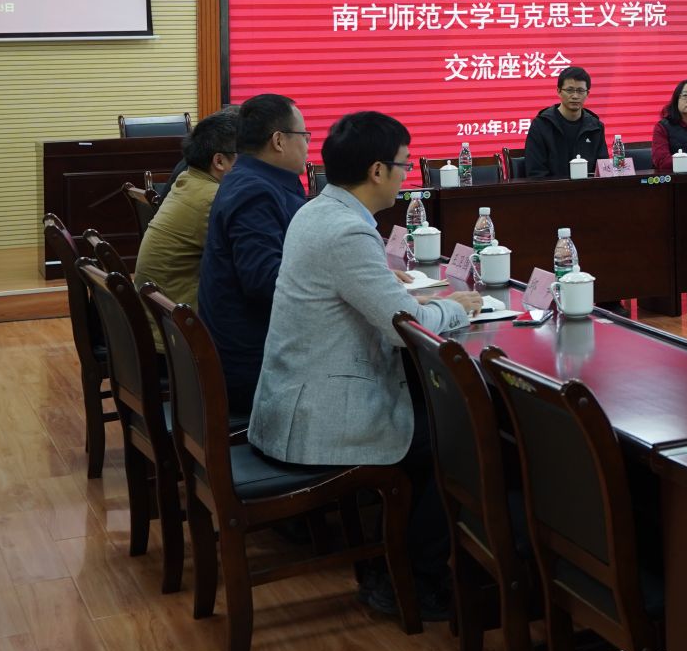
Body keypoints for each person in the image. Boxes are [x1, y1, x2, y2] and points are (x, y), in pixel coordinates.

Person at [247, 111, 482, 622]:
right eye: (404, 164)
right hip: (319, 414)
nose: (406, 174)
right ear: (378, 171)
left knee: (436, 415)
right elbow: (406, 329)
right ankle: (411, 581)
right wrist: (458, 309)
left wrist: (404, 298)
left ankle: (392, 563)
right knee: (460, 442)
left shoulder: (318, 210)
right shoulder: (347, 231)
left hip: (294, 396)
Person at [197, 94, 311, 417]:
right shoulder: (255, 192)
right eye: (304, 136)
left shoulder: (247, 178)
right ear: (279, 141)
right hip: (254, 368)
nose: (307, 146)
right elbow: (263, 281)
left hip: (247, 351)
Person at [135, 108, 239, 350]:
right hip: (179, 340)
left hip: (162, 324)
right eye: (248, 156)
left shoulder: (189, 180)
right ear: (219, 161)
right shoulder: (212, 199)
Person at [524, 66, 604, 179]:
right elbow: (536, 173)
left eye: (580, 91)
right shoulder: (541, 125)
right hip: (551, 189)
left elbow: (602, 170)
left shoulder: (596, 127)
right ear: (559, 91)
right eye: (570, 90)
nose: (575, 96)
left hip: (588, 188)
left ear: (587, 93)